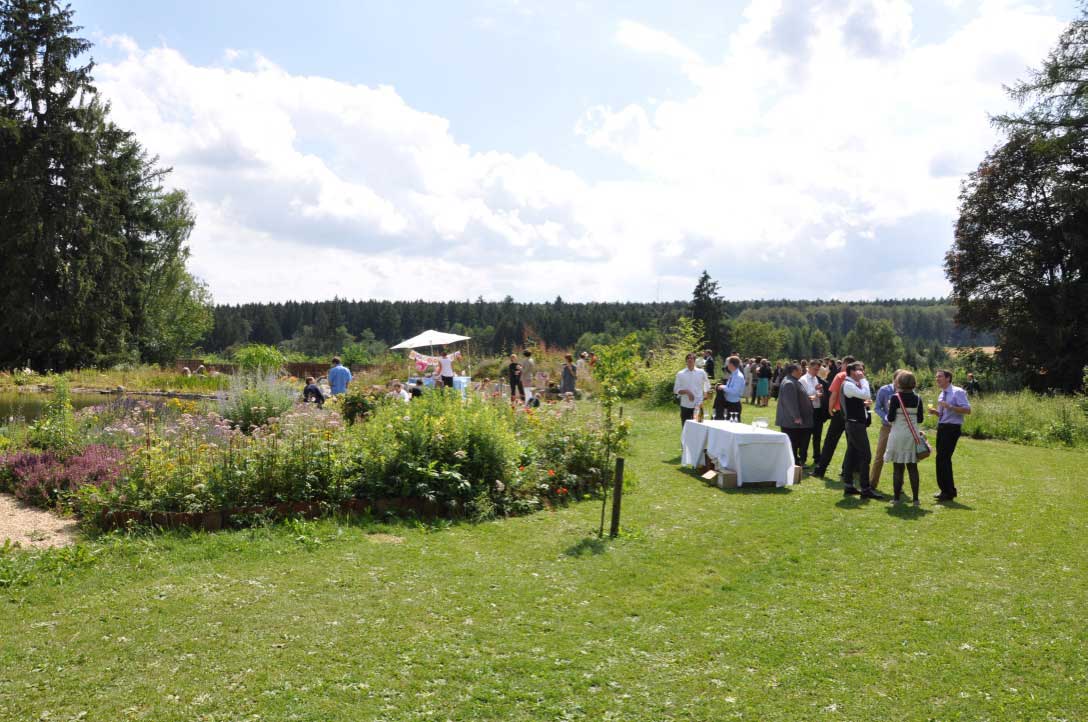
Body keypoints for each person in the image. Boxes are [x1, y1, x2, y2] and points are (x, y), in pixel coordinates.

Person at [841, 362, 883, 499]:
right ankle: (865, 488)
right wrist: (864, 380)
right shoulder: (848, 384)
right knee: (866, 455)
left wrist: (862, 404)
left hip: (854, 424)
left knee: (851, 454)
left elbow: (860, 398)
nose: (862, 372)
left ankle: (848, 486)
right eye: (859, 370)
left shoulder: (850, 385)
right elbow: (866, 394)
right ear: (852, 371)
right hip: (855, 425)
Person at [930, 369, 971, 501]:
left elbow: (967, 410)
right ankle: (945, 490)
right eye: (936, 377)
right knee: (940, 458)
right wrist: (935, 412)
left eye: (940, 377)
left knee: (944, 458)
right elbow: (942, 414)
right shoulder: (941, 394)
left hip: (952, 428)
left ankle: (949, 491)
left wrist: (950, 407)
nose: (937, 379)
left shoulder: (957, 392)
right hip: (942, 427)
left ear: (948, 378)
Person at [885, 370, 926, 505]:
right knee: (912, 467)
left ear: (899, 382)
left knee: (898, 467)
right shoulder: (918, 398)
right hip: (912, 435)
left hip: (897, 434)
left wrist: (890, 408)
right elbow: (920, 419)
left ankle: (896, 498)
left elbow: (890, 418)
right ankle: (915, 499)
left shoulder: (895, 398)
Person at [812, 355, 855, 479]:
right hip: (852, 414)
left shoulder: (840, 376)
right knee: (851, 443)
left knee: (830, 442)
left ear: (845, 364)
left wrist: (830, 409)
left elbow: (833, 394)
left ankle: (821, 469)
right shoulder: (858, 377)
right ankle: (847, 470)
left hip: (839, 413)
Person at [869, 370, 904, 490]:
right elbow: (877, 407)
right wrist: (886, 417)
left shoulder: (907, 391)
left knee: (900, 457)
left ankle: (899, 486)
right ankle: (872, 484)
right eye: (900, 379)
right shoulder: (884, 390)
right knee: (880, 455)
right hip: (887, 427)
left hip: (901, 427)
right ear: (895, 379)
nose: (902, 382)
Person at [775, 363, 813, 466]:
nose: (802, 371)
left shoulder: (792, 381)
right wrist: (796, 417)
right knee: (793, 443)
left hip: (792, 420)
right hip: (790, 421)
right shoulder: (789, 383)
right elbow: (790, 402)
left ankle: (795, 461)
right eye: (800, 370)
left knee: (795, 442)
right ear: (794, 371)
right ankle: (793, 463)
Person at [798, 359, 827, 467]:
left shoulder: (816, 379)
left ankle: (817, 458)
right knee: (806, 436)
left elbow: (818, 393)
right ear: (809, 368)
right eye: (815, 369)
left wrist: (820, 390)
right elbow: (803, 396)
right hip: (808, 410)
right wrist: (816, 393)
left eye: (818, 370)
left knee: (817, 435)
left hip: (817, 410)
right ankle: (802, 459)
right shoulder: (803, 380)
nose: (817, 371)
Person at [673, 352, 710, 432]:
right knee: (686, 427)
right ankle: (685, 444)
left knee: (699, 426)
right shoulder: (680, 374)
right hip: (685, 405)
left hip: (698, 404)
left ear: (695, 361)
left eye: (692, 359)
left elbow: (707, 383)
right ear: (686, 361)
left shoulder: (701, 372)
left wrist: (706, 393)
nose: (690, 361)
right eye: (688, 359)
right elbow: (676, 390)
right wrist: (687, 392)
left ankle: (698, 443)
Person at [713, 355, 746, 421]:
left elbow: (734, 391)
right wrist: (722, 386)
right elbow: (730, 387)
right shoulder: (733, 374)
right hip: (728, 403)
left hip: (734, 405)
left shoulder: (738, 376)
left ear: (731, 364)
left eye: (727, 363)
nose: (727, 365)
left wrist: (723, 388)